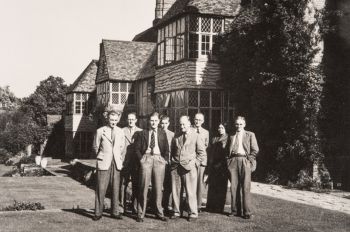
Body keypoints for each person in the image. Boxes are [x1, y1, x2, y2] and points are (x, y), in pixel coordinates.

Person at [135, 112, 169, 222]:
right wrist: (142, 160)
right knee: (143, 186)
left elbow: (166, 149)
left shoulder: (162, 133)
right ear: (149, 121)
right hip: (147, 158)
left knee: (158, 188)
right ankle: (141, 213)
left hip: (159, 160)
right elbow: (137, 149)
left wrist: (164, 160)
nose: (153, 123)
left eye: (155, 121)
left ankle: (159, 212)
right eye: (152, 121)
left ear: (158, 121)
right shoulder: (142, 133)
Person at [171, 115, 205, 221]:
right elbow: (172, 150)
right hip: (176, 167)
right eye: (180, 124)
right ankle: (176, 212)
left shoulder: (196, 136)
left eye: (184, 124)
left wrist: (195, 164)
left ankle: (193, 213)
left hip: (189, 168)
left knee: (190, 191)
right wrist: (172, 161)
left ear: (189, 124)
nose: (181, 126)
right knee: (176, 191)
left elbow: (202, 153)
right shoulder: (176, 135)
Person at [92, 110, 125, 221]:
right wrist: (101, 156)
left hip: (116, 163)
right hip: (104, 162)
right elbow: (95, 146)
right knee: (101, 188)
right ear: (108, 119)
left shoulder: (121, 132)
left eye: (115, 120)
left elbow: (122, 147)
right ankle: (98, 212)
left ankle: (115, 212)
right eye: (111, 120)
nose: (113, 122)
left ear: (118, 120)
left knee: (116, 188)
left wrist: (118, 158)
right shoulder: (100, 131)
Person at [227, 116, 259, 219]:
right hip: (233, 161)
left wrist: (249, 160)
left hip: (245, 161)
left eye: (241, 124)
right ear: (235, 124)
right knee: (234, 187)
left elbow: (255, 149)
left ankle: (247, 212)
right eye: (237, 124)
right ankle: (235, 210)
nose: (238, 126)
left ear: (244, 124)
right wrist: (229, 161)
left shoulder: (250, 135)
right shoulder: (231, 136)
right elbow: (227, 150)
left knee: (245, 187)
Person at [120, 112, 142, 214]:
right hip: (125, 162)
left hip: (136, 163)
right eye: (129, 119)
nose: (130, 121)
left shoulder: (141, 132)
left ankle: (135, 207)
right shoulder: (122, 131)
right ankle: (122, 207)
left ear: (136, 120)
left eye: (132, 119)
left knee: (136, 185)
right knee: (123, 185)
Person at [206, 122, 229, 213]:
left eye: (222, 128)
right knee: (212, 186)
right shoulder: (214, 138)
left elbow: (227, 153)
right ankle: (210, 206)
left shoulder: (228, 138)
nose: (220, 129)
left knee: (221, 187)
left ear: (225, 129)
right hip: (213, 165)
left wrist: (221, 163)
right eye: (219, 128)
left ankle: (219, 207)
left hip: (222, 166)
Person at [193, 113, 209, 212]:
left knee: (199, 183)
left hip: (201, 161)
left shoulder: (205, 132)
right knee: (190, 182)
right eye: (196, 119)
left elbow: (206, 145)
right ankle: (189, 202)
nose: (197, 121)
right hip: (190, 160)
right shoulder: (190, 130)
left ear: (203, 121)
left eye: (199, 120)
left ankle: (198, 205)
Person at [160, 115, 175, 215]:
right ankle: (158, 205)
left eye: (166, 123)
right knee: (159, 185)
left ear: (168, 124)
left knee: (169, 186)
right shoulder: (158, 133)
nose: (164, 125)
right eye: (162, 123)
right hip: (160, 162)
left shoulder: (172, 135)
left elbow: (174, 149)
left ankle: (167, 206)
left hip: (169, 163)